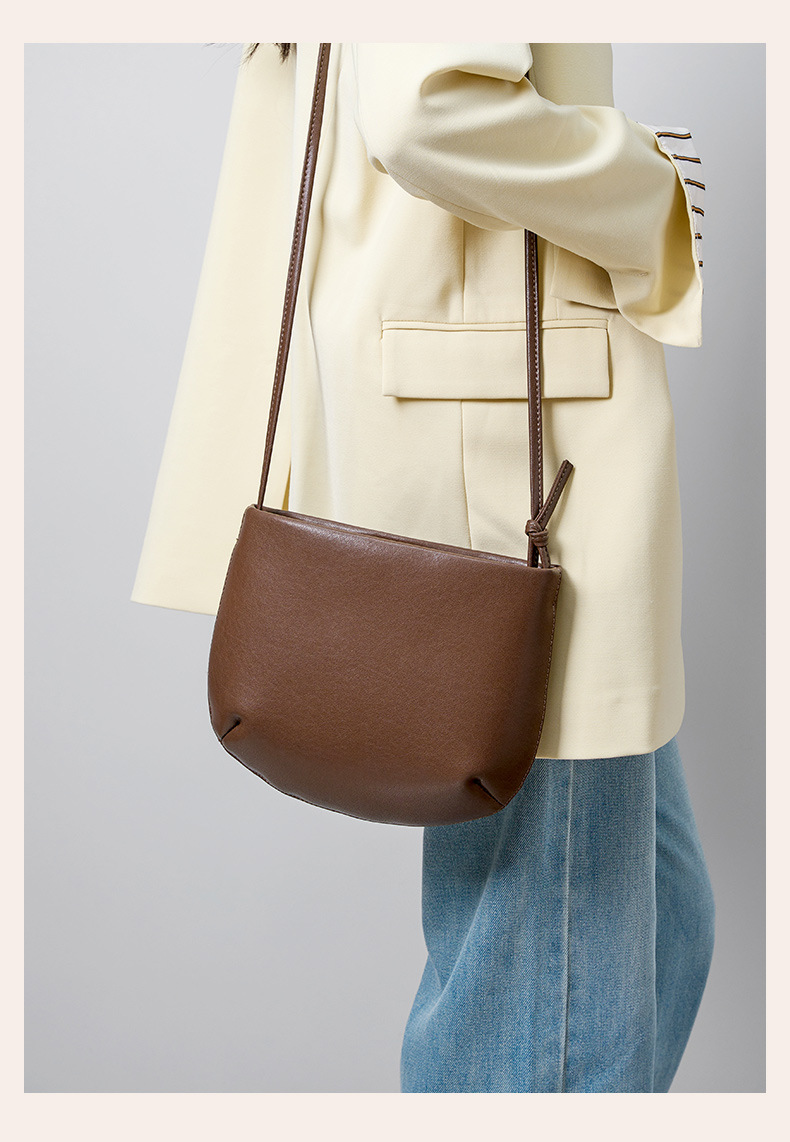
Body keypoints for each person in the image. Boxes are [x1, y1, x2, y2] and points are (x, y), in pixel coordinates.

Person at [131, 42, 715, 1093]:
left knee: (656, 917)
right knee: (545, 997)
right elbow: (425, 109)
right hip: (505, 449)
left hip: (480, 415)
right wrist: (648, 183)